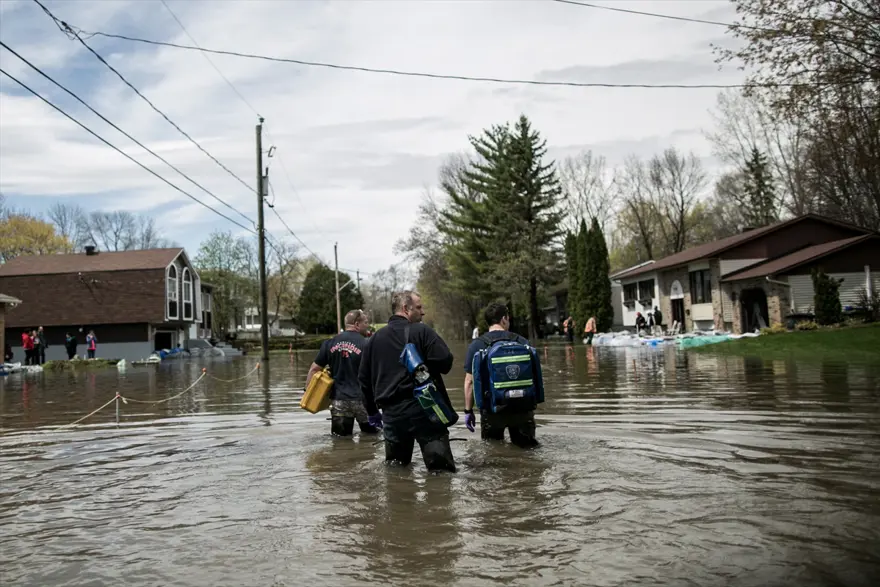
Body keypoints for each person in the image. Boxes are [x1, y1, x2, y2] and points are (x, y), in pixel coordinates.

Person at [358, 290, 457, 472]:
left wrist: (372, 412)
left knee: (396, 472)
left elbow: (363, 380)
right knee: (441, 473)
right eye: (419, 307)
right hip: (425, 409)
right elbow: (446, 362)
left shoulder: (373, 340)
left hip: (392, 414)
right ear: (405, 308)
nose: (423, 312)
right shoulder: (422, 331)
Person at [463, 303, 540, 448]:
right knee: (528, 451)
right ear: (504, 319)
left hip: (492, 410)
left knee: (494, 453)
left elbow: (469, 382)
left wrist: (468, 411)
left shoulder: (476, 345)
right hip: (522, 408)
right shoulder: (521, 341)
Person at [305, 309, 378, 437]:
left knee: (340, 441)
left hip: (339, 401)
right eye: (365, 323)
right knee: (371, 439)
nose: (367, 326)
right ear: (356, 324)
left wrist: (308, 392)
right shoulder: (367, 344)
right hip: (363, 401)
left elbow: (314, 369)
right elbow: (377, 372)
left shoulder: (329, 343)